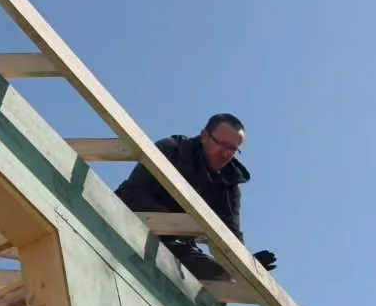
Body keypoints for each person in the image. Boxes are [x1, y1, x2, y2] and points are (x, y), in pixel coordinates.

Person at [115, 113, 277, 281]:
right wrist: (183, 227)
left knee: (222, 276)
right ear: (204, 136)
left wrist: (246, 265)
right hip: (130, 220)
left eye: (233, 150)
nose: (226, 154)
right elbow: (134, 194)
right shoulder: (172, 150)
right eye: (222, 145)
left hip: (177, 245)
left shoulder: (228, 184)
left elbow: (230, 232)